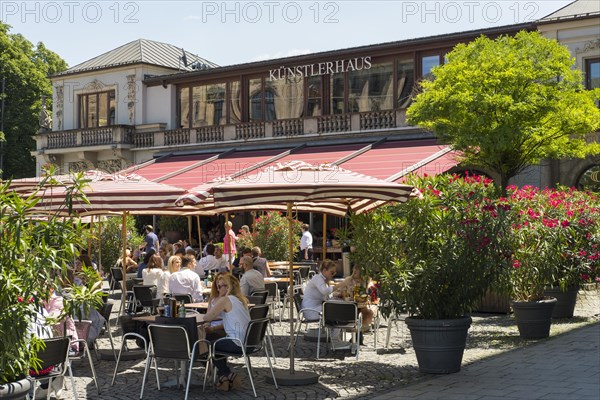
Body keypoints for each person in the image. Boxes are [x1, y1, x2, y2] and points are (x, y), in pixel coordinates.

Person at [202, 273, 250, 391]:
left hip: (237, 343)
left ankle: (226, 375)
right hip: (248, 342)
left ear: (228, 287)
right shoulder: (240, 300)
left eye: (221, 286)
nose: (219, 289)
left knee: (204, 346)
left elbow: (207, 317)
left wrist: (216, 303)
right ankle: (224, 377)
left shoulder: (225, 300)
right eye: (218, 287)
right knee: (215, 345)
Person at [333, 265, 375, 336]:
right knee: (355, 311)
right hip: (350, 306)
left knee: (367, 311)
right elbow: (335, 293)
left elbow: (370, 295)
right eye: (354, 269)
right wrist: (342, 294)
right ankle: (357, 332)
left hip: (362, 305)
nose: (355, 271)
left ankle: (360, 332)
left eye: (357, 269)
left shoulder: (366, 281)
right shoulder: (348, 280)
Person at [204, 271, 228, 341]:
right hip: (211, 325)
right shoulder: (213, 297)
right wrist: (207, 324)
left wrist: (213, 328)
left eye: (221, 285)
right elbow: (207, 316)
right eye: (217, 281)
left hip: (222, 328)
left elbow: (228, 322)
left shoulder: (228, 299)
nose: (218, 284)